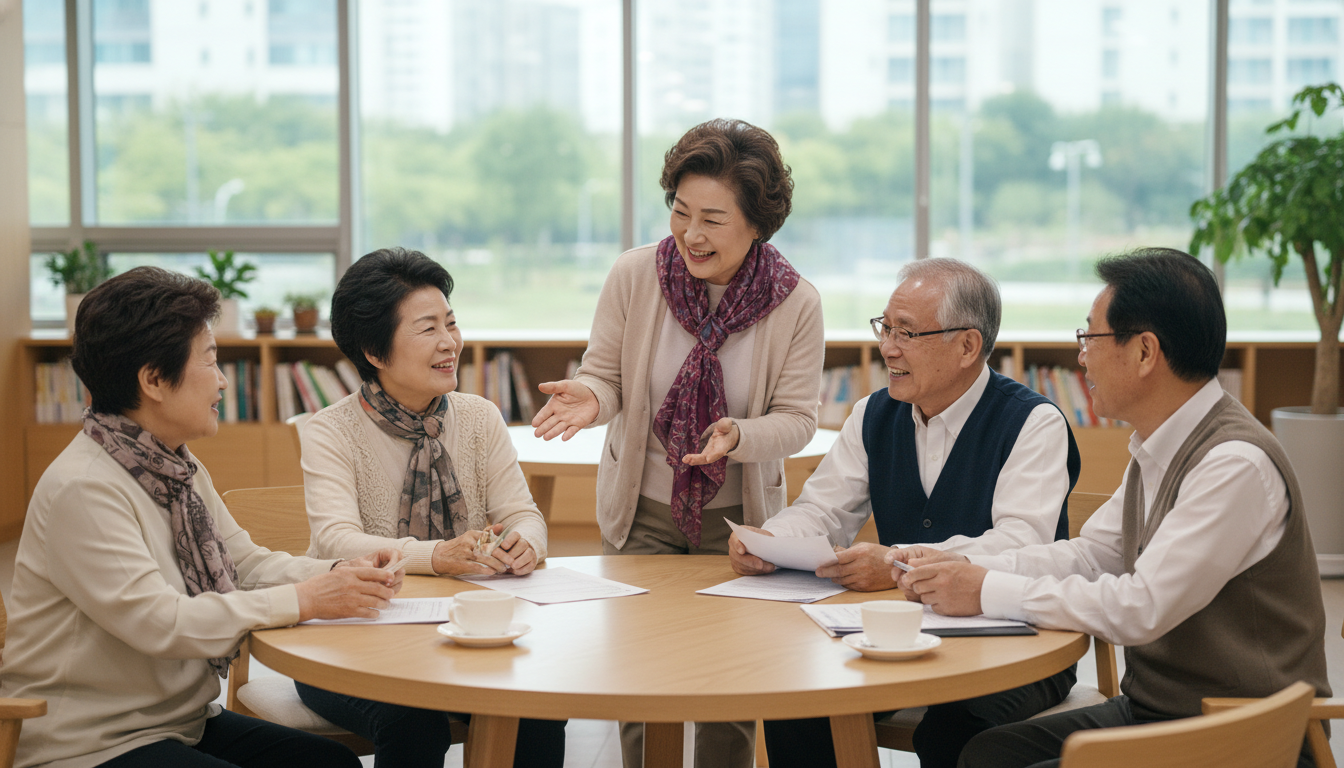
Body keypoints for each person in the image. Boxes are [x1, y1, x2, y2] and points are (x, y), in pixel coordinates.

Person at [892, 248, 1331, 768]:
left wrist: (987, 589)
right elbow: (1092, 554)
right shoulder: (1156, 447)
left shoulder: (1234, 464)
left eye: (1090, 338)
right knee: (988, 753)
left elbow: (1140, 608)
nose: (1081, 357)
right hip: (1161, 712)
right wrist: (970, 568)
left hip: (1246, 731)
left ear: (1145, 352)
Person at [0, 267, 404, 768]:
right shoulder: (84, 488)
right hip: (86, 743)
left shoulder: (173, 464)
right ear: (152, 379)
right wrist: (304, 599)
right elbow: (162, 622)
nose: (221, 380)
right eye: (210, 361)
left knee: (330, 763)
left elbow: (245, 565)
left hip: (177, 723)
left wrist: (340, 574)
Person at [530, 118, 825, 768]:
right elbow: (605, 374)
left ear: (757, 223)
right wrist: (592, 396)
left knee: (731, 687)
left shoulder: (796, 303)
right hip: (642, 514)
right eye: (680, 211)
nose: (691, 233)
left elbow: (799, 418)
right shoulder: (637, 275)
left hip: (738, 522)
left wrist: (740, 435)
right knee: (639, 679)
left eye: (714, 219)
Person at [730, 258, 1081, 768]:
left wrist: (896, 564)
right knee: (801, 701)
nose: (888, 347)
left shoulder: (1033, 423)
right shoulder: (873, 413)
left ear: (967, 346)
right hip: (899, 632)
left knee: (957, 727)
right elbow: (823, 508)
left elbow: (1021, 544)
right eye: (886, 327)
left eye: (908, 333)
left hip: (1017, 639)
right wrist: (770, 541)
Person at [297, 247, 565, 768]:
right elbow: (337, 540)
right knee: (412, 719)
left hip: (461, 630)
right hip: (348, 639)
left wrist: (523, 544)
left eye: (452, 322)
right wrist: (437, 555)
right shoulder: (331, 430)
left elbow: (523, 514)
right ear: (374, 351)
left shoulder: (480, 416)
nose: (450, 343)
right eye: (427, 330)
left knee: (538, 702)